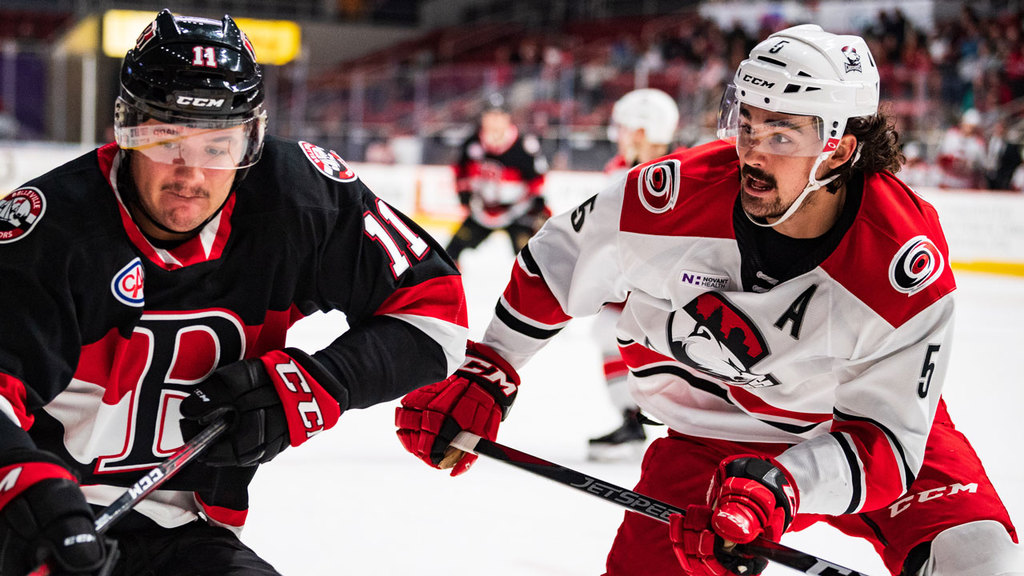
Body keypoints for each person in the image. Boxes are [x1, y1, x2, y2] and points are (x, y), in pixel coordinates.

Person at [395, 24, 1022, 576]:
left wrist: (789, 484)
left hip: (849, 431)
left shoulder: (903, 264)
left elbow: (889, 441)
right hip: (708, 437)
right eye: (747, 121)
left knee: (982, 560)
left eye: (781, 133)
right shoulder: (675, 194)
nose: (750, 148)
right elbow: (559, 260)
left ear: (839, 148)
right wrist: (490, 368)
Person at [0, 10, 466, 576]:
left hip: (186, 531)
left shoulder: (299, 199)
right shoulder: (46, 230)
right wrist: (24, 485)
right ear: (125, 130)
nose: (191, 174)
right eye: (165, 139)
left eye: (218, 146)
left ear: (253, 137)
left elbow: (436, 314)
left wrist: (315, 385)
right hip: (36, 525)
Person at [588, 88, 682, 461]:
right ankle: (633, 418)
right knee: (606, 331)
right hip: (635, 278)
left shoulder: (683, 171)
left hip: (674, 284)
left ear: (643, 131)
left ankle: (681, 425)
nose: (620, 135)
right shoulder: (622, 169)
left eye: (626, 127)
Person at [444, 93, 549, 264]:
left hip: (518, 212)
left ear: (508, 118)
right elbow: (460, 172)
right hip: (482, 211)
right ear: (483, 118)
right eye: (490, 115)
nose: (494, 121)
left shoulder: (524, 146)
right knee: (449, 255)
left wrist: (538, 206)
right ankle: (450, 290)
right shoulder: (471, 143)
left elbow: (538, 180)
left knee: (532, 260)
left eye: (499, 115)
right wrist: (464, 196)